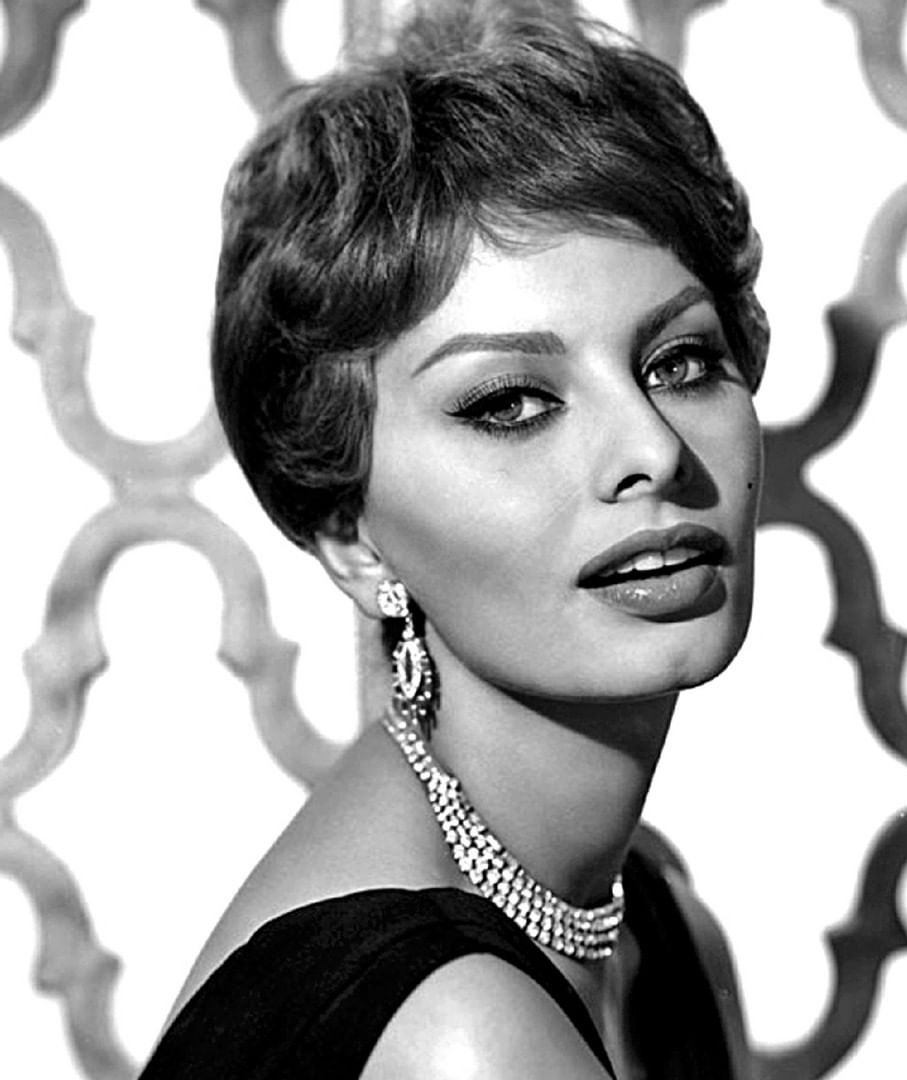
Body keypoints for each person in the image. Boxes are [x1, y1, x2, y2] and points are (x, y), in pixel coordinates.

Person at [140, 1, 768, 1076]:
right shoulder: (456, 1032)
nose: (653, 451)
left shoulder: (658, 925)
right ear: (351, 536)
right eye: (510, 403)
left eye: (680, 362)